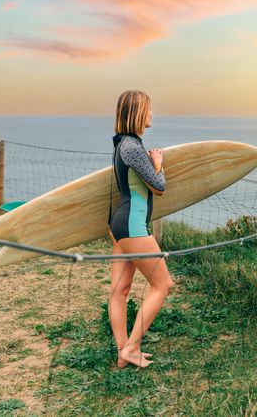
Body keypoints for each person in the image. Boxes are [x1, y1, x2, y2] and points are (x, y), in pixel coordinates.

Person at [107, 90, 174, 368]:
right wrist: (158, 164)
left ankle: (124, 354)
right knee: (163, 284)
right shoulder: (133, 147)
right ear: (137, 112)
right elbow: (158, 187)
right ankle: (132, 348)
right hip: (133, 226)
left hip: (119, 224)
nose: (151, 114)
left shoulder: (121, 144)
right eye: (148, 109)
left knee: (120, 290)